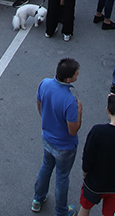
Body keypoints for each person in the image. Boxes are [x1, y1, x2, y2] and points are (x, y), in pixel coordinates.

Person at [32, 57, 82, 216]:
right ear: (68, 79)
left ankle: (37, 199)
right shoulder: (70, 101)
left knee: (46, 166)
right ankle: (61, 211)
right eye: (76, 73)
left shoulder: (45, 84)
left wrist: (47, 120)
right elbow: (73, 131)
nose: (78, 74)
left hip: (47, 138)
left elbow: (39, 104)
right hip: (65, 146)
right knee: (62, 177)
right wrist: (79, 111)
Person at [76, 94, 115, 216]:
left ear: (108, 110)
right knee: (109, 213)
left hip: (94, 182)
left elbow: (88, 155)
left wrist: (85, 172)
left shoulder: (97, 131)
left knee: (85, 207)